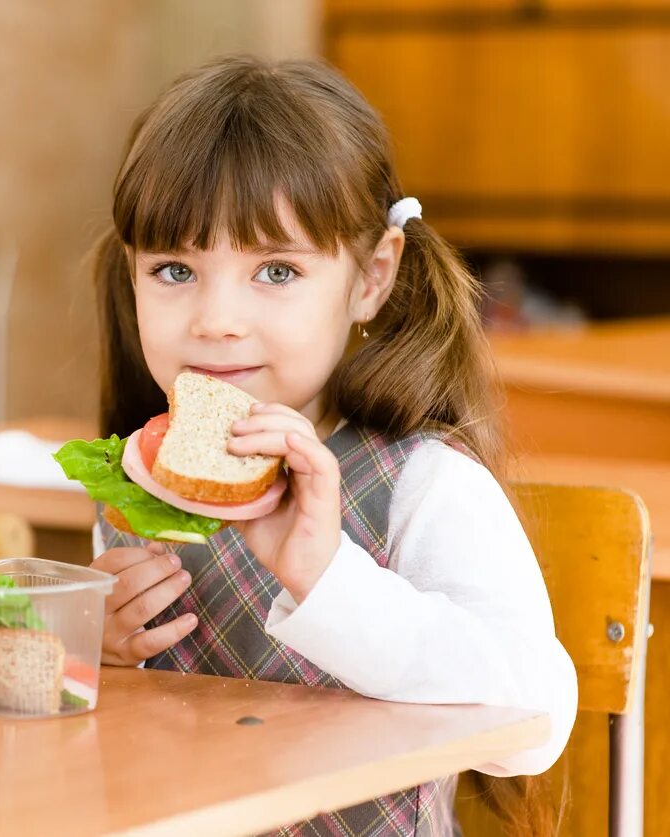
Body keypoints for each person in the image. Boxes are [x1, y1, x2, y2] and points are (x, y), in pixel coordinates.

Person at [88, 55, 577, 836]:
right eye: (175, 269)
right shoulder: (138, 480)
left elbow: (538, 718)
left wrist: (327, 578)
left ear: (372, 278)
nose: (216, 318)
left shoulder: (425, 483)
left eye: (276, 271)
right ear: (132, 277)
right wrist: (101, 647)